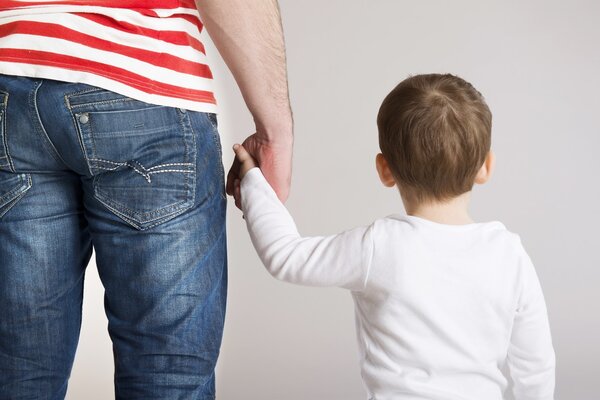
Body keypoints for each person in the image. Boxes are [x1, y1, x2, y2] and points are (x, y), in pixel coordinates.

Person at [0, 1, 292, 399]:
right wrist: (275, 133)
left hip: (9, 83)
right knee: (167, 373)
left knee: (17, 372)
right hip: (141, 79)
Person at [232, 74, 555, 400]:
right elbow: (536, 366)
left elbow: (285, 257)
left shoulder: (379, 246)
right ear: (486, 166)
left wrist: (253, 181)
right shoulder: (509, 254)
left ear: (384, 170)